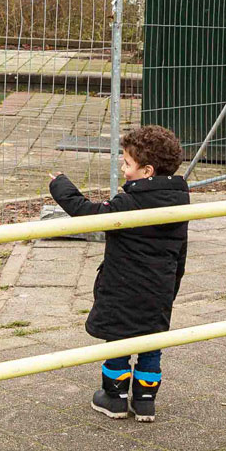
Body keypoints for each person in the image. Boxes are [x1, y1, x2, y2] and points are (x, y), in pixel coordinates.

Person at [49, 125, 189, 423]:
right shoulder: (180, 203)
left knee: (119, 341)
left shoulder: (129, 204)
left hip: (123, 288)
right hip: (160, 288)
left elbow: (88, 214)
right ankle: (145, 401)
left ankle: (114, 397)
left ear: (147, 171)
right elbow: (181, 251)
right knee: (151, 341)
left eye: (127, 164)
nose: (123, 170)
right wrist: (172, 286)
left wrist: (62, 187)